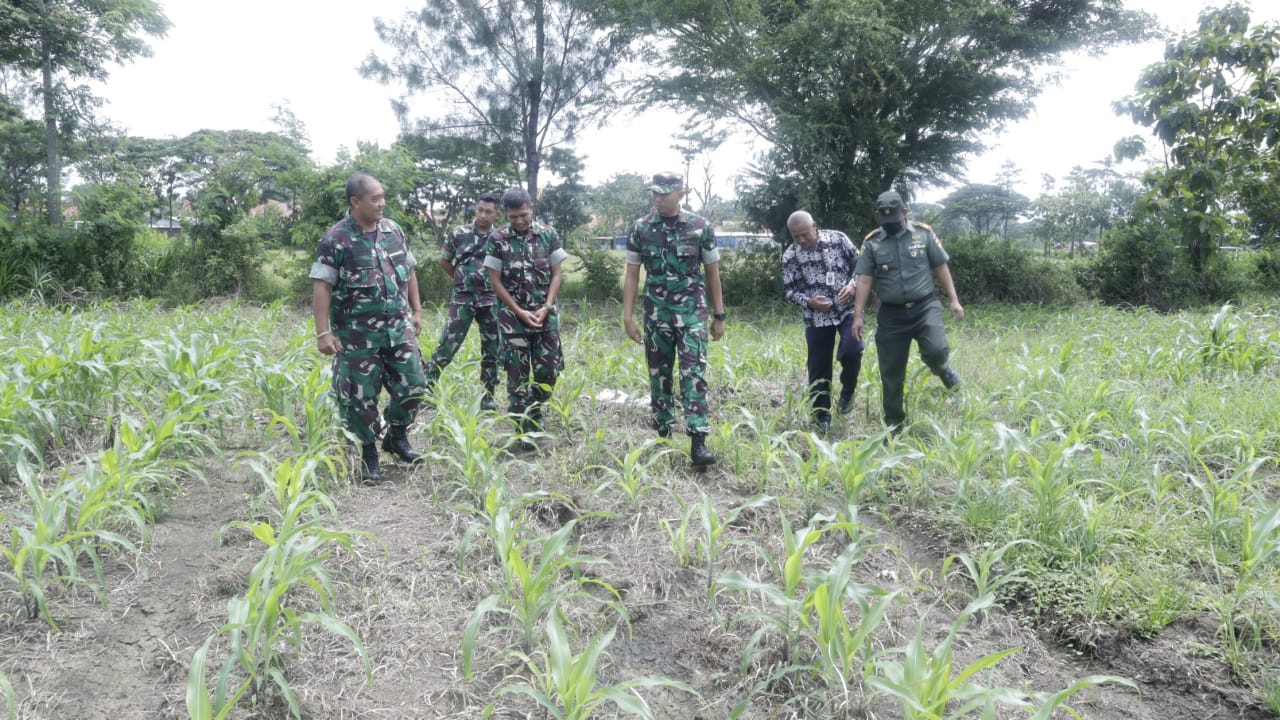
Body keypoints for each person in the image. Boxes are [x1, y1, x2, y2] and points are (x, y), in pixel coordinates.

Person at [310, 172, 428, 483]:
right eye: (375, 198)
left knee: (414, 385)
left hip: (398, 327)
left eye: (382, 196)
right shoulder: (335, 239)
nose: (382, 203)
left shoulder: (393, 231)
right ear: (355, 202)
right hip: (357, 335)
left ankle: (396, 436)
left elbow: (409, 270)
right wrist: (323, 333)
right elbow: (322, 285)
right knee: (359, 398)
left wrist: (416, 310)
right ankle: (369, 454)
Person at [622, 172, 726, 468]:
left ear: (681, 193)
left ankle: (698, 441)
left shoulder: (700, 227)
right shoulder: (641, 228)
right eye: (654, 193)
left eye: (664, 194)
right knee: (659, 374)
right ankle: (664, 434)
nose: (658, 199)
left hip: (692, 314)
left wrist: (719, 315)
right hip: (656, 314)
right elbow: (632, 275)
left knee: (694, 374)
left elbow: (712, 272)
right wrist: (628, 317)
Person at [851, 190, 965, 431]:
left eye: (895, 220)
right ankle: (894, 424)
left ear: (905, 212)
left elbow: (940, 266)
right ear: (878, 215)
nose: (890, 226)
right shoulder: (872, 242)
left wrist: (954, 300)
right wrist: (858, 316)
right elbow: (863, 280)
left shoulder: (923, 234)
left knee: (936, 349)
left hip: (925, 307)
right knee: (891, 373)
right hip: (891, 315)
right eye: (885, 221)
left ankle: (940, 367)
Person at [483, 187, 566, 449]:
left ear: (531, 207)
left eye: (523, 214)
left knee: (548, 370)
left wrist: (547, 306)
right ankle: (520, 424)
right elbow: (495, 280)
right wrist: (518, 311)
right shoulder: (497, 238)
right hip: (512, 319)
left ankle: (536, 410)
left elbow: (556, 274)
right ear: (506, 214)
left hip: (545, 316)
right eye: (513, 216)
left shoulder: (548, 234)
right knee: (516, 374)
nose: (519, 220)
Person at [781, 210, 864, 435]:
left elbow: (862, 266)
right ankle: (821, 416)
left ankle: (848, 390)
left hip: (847, 310)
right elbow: (789, 290)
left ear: (814, 226)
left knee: (852, 349)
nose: (801, 240)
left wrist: (853, 285)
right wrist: (808, 301)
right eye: (795, 236)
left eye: (805, 235)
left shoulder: (838, 239)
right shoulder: (791, 256)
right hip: (816, 317)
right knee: (819, 368)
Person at [424, 192, 503, 410]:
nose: (483, 215)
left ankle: (488, 396)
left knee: (492, 349)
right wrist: (462, 280)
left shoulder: (502, 237)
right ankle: (426, 389)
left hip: (491, 300)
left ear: (497, 214)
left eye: (488, 212)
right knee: (448, 345)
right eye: (479, 210)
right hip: (463, 298)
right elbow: (445, 261)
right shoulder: (459, 234)